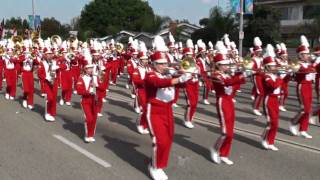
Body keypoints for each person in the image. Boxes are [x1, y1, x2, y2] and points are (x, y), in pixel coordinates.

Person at [210, 41, 245, 165]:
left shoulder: (227, 74)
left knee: (231, 132)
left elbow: (239, 83)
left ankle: (224, 154)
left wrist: (242, 73)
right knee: (226, 132)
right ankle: (215, 149)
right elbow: (227, 84)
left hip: (229, 101)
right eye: (224, 65)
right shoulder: (215, 75)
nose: (226, 66)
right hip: (222, 101)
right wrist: (239, 76)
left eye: (227, 64)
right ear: (218, 65)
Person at [76, 50, 105, 143]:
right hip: (86, 100)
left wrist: (99, 83)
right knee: (89, 118)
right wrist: (89, 91)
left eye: (92, 68)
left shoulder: (95, 77)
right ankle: (87, 134)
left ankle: (91, 134)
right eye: (89, 68)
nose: (91, 70)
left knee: (94, 119)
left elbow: (102, 87)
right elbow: (79, 91)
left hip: (95, 100)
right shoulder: (81, 78)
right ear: (85, 69)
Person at [289, 35, 315, 139]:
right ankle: (293, 122)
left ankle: (303, 130)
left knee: (308, 110)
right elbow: (299, 73)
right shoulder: (297, 64)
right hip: (302, 86)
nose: (307, 56)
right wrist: (309, 69)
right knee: (304, 109)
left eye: (307, 54)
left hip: (309, 86)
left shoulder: (309, 64)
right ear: (300, 55)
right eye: (305, 54)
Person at [261, 44, 283, 151]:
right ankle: (265, 139)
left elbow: (280, 85)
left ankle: (271, 142)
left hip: (276, 100)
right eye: (273, 66)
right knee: (272, 122)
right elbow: (274, 85)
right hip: (269, 100)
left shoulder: (274, 76)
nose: (275, 67)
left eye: (275, 66)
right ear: (267, 67)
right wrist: (280, 78)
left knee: (276, 123)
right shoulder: (266, 76)